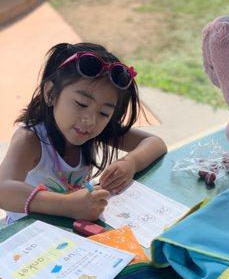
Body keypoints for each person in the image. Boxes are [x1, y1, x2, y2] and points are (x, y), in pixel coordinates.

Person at [0, 43, 167, 223]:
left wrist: (130, 163)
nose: (90, 120)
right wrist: (66, 204)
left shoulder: (95, 131)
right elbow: (3, 189)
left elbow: (155, 142)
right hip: (27, 235)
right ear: (50, 93)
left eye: (104, 113)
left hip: (71, 230)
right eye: (81, 104)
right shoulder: (30, 139)